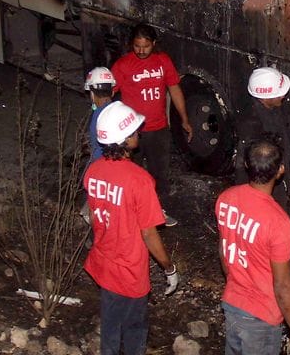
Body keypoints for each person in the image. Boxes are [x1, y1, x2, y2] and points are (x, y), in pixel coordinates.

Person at [84, 101, 180, 355]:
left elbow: (96, 217)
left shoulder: (93, 171)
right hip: (129, 269)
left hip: (105, 261)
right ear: (124, 139)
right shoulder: (139, 180)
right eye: (135, 131)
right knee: (135, 328)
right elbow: (149, 233)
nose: (139, 132)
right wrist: (169, 268)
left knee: (111, 325)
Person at [216, 139, 290, 355]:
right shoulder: (278, 222)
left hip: (232, 305)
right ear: (280, 171)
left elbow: (223, 249)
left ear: (247, 165)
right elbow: (282, 285)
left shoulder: (226, 198)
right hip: (261, 317)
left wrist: (236, 283)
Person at [111, 24, 192, 227]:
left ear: (153, 44)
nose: (141, 50)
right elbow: (108, 94)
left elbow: (174, 90)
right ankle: (130, 215)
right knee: (131, 176)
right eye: (137, 46)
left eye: (145, 46)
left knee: (160, 175)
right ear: (132, 45)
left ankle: (157, 212)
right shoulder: (122, 65)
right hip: (132, 132)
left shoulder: (163, 61)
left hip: (159, 129)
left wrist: (184, 119)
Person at [234, 66, 290, 210]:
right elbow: (247, 169)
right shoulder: (251, 125)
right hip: (265, 186)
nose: (283, 96)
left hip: (276, 177)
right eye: (279, 94)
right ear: (264, 97)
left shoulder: (273, 107)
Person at [85, 66, 117, 162]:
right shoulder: (118, 109)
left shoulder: (98, 115)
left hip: (100, 163)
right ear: (112, 92)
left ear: (91, 94)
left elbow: (96, 147)